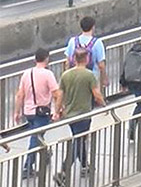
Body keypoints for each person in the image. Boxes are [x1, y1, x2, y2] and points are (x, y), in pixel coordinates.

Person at [55, 47, 105, 183]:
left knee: (79, 139)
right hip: (83, 114)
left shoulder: (66, 75)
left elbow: (60, 95)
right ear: (87, 59)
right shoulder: (89, 75)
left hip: (70, 114)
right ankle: (64, 170)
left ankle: (84, 165)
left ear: (74, 59)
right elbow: (96, 94)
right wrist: (104, 105)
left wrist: (57, 111)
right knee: (78, 141)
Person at [12, 48, 60, 179]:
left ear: (35, 59)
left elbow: (20, 94)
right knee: (35, 137)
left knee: (36, 134)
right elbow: (56, 93)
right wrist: (57, 110)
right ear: (47, 59)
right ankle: (27, 167)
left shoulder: (26, 73)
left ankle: (45, 152)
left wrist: (17, 112)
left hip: (28, 111)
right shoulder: (48, 74)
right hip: (41, 112)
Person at [65, 16, 107, 90]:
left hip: (74, 78)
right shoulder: (97, 43)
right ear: (93, 27)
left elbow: (67, 62)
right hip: (91, 78)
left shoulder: (72, 41)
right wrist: (104, 78)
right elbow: (101, 65)